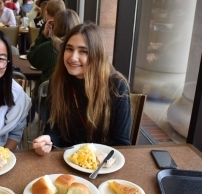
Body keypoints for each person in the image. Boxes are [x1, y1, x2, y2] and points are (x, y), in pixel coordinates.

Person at [32, 23, 131, 155]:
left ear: (97, 55)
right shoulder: (57, 82)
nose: (73, 57)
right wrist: (48, 139)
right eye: (69, 49)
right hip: (65, 161)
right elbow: (54, 129)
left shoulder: (117, 86)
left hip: (104, 165)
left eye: (83, 51)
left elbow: (122, 144)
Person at [27, 9, 81, 121]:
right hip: (75, 110)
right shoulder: (82, 52)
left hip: (46, 108)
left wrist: (44, 35)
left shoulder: (48, 47)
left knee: (34, 95)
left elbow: (31, 56)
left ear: (55, 26)